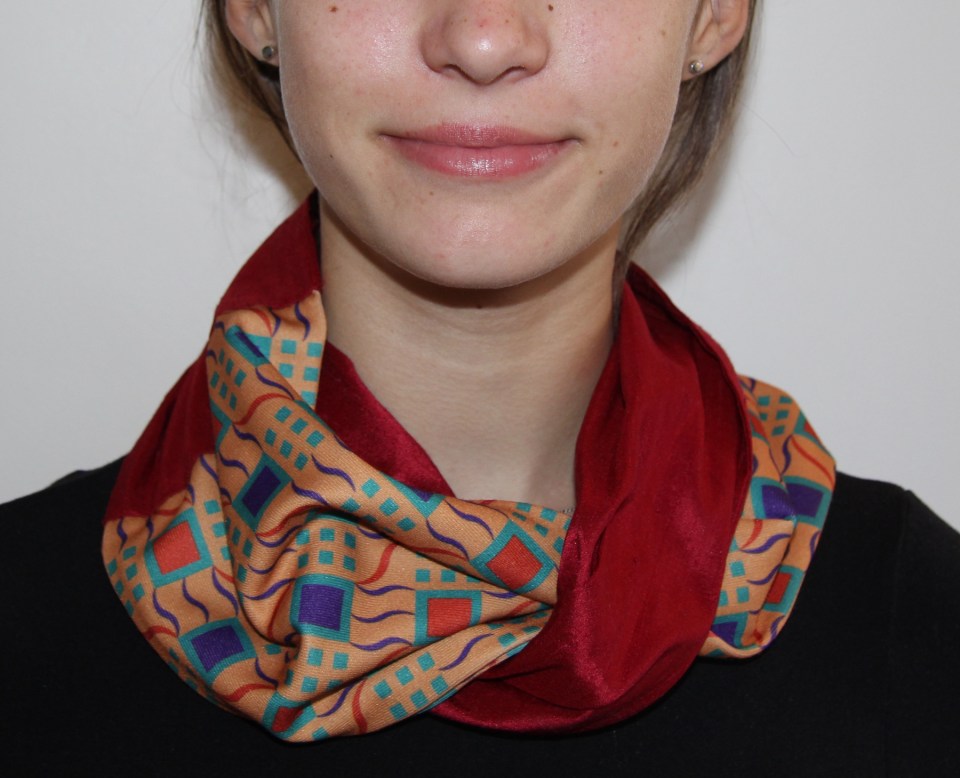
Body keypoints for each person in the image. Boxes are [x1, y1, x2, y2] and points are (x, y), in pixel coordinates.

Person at [3, 1, 958, 774]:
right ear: (255, 9)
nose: (485, 37)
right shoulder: (24, 630)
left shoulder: (914, 632)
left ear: (713, 16)